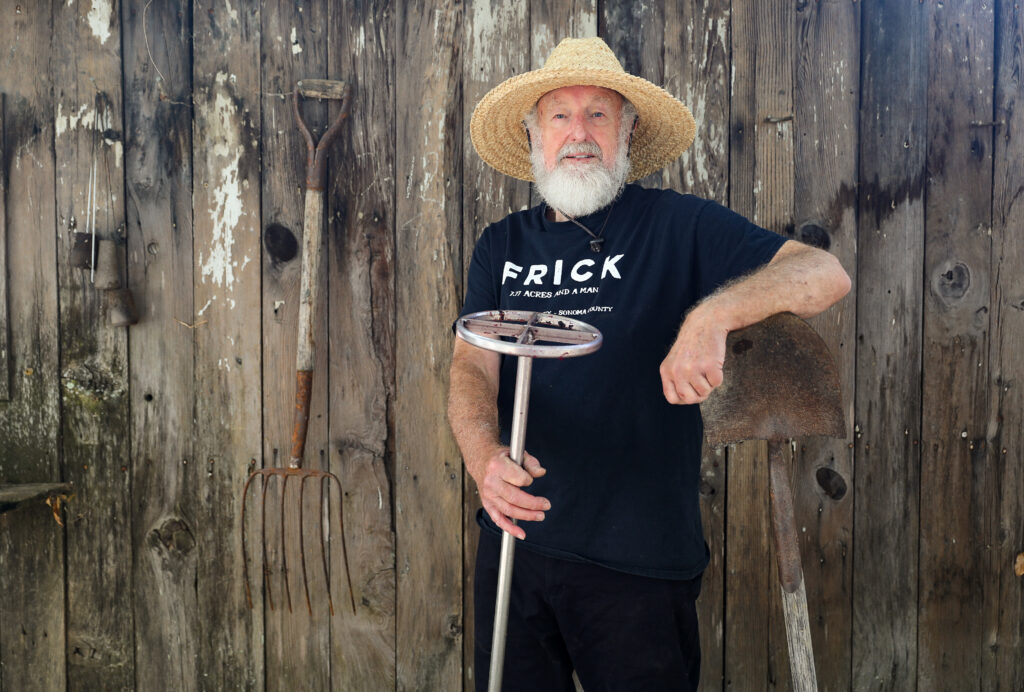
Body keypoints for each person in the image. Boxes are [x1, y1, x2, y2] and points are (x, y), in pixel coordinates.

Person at [449, 37, 850, 691]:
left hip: (636, 562)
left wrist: (711, 316)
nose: (578, 132)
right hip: (514, 545)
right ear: (533, 137)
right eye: (559, 115)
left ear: (627, 132)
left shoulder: (677, 226)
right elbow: (470, 368)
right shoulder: (502, 245)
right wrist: (480, 458)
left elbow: (822, 273)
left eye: (599, 114)